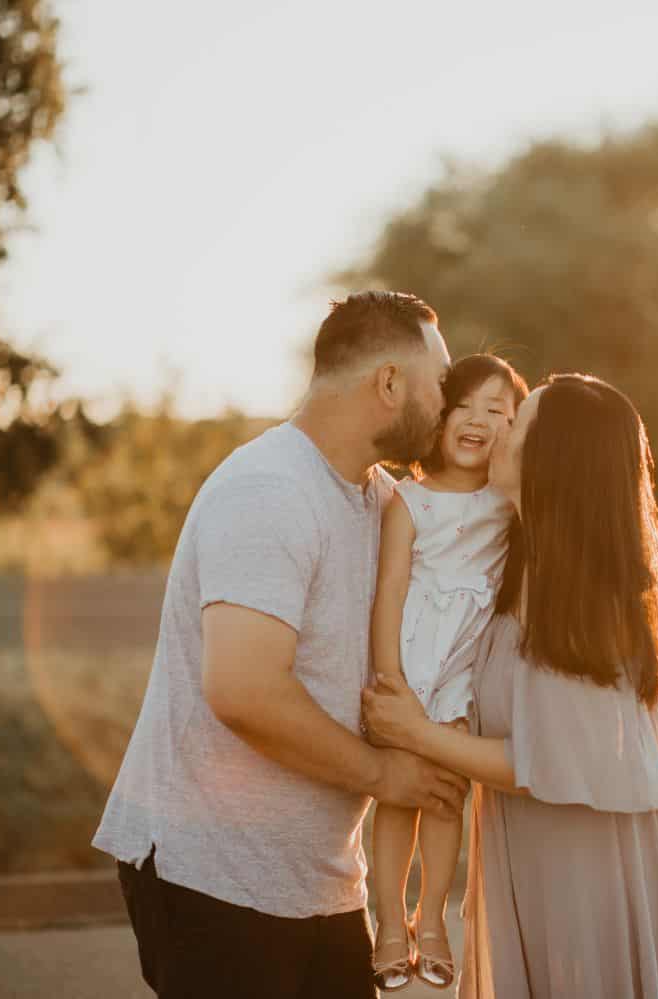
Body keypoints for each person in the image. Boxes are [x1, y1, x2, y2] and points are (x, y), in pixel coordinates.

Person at [92, 291, 467, 999]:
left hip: (319, 881)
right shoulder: (268, 490)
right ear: (389, 384)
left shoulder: (380, 500)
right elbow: (243, 689)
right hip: (214, 874)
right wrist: (383, 775)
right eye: (441, 384)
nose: (450, 405)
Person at [364, 373, 658, 998]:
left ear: (548, 458)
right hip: (530, 852)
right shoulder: (516, 566)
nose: (498, 428)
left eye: (517, 421)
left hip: (590, 870)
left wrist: (412, 732)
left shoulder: (591, 600)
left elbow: (540, 758)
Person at [367, 353, 529, 991]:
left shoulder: (505, 504)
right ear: (438, 415)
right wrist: (388, 680)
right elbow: (388, 591)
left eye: (498, 411)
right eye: (465, 404)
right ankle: (388, 922)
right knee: (397, 796)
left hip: (464, 671)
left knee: (444, 799)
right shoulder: (406, 501)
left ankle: (430, 919)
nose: (478, 420)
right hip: (407, 666)